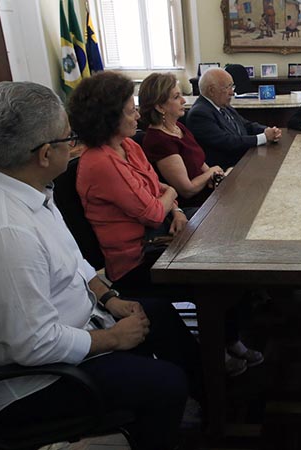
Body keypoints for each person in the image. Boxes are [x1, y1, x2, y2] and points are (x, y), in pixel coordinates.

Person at [0, 81, 204, 450]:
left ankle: (207, 402)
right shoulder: (3, 232)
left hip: (72, 330)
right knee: (166, 384)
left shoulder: (25, 187)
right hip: (28, 386)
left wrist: (111, 299)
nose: (76, 145)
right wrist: (114, 337)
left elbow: (74, 263)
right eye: (70, 138)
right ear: (45, 153)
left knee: (160, 316)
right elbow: (33, 346)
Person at [67, 72, 262, 376]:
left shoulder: (128, 146)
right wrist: (170, 201)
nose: (136, 114)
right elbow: (154, 207)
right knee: (222, 275)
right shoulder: (100, 162)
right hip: (136, 261)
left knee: (234, 255)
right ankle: (214, 359)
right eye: (129, 110)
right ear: (108, 117)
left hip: (158, 238)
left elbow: (156, 188)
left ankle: (229, 340)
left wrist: (175, 210)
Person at [138, 72, 225, 208]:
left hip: (207, 195)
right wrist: (211, 172)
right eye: (176, 97)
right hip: (194, 207)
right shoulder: (158, 141)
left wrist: (214, 176)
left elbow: (201, 164)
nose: (183, 101)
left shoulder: (179, 127)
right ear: (160, 107)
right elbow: (187, 190)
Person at [186, 68, 282, 170]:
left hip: (244, 160)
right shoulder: (200, 114)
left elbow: (246, 125)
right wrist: (264, 137)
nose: (232, 92)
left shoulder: (222, 105)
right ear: (212, 90)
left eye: (232, 87)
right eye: (228, 87)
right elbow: (228, 142)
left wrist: (268, 130)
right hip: (228, 169)